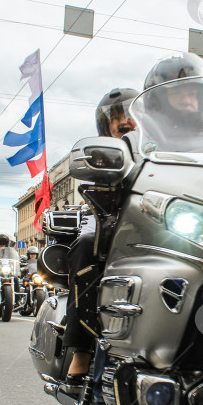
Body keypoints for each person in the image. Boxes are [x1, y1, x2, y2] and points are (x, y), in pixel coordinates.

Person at [62, 87, 140, 389]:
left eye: (134, 117)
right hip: (108, 218)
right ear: (106, 128)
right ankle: (81, 349)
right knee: (84, 246)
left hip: (161, 219)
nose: (128, 122)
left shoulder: (165, 147)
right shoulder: (104, 153)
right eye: (120, 121)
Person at [142, 52, 203, 147]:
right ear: (157, 101)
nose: (186, 100)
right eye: (176, 93)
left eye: (192, 94)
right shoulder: (137, 143)